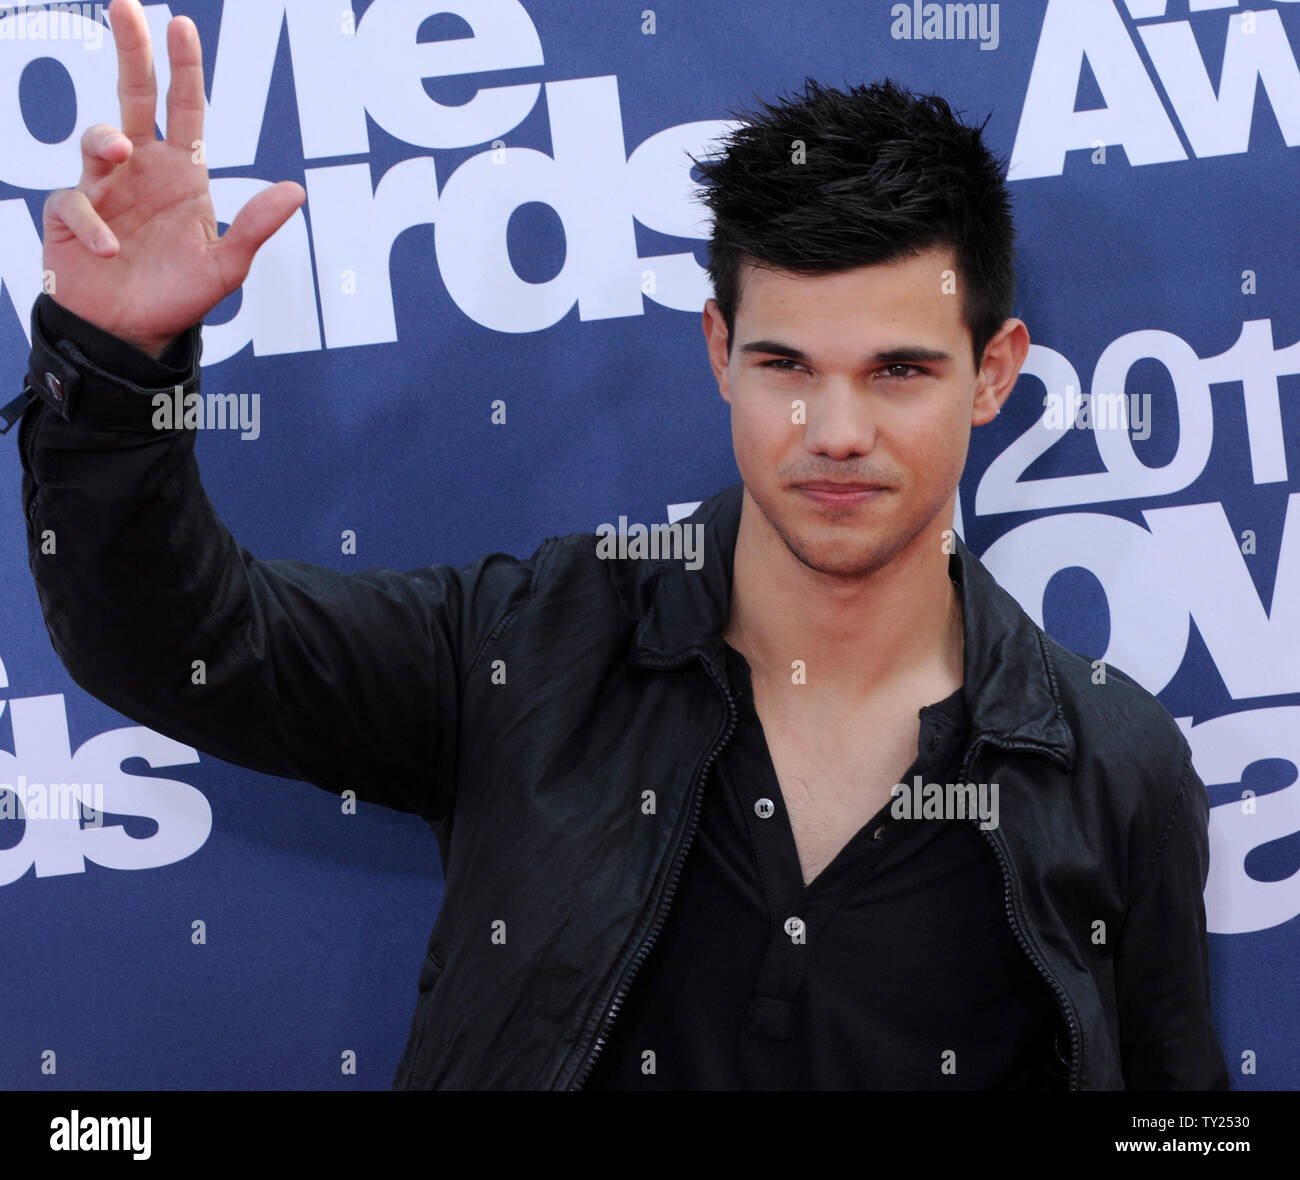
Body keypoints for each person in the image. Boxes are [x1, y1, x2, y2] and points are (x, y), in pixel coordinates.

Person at [10, 0, 1227, 1090]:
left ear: (992, 372)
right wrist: (113, 378)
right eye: (785, 365)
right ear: (718, 353)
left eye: (899, 370)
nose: (837, 431)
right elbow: (181, 643)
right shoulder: (526, 651)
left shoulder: (1107, 760)